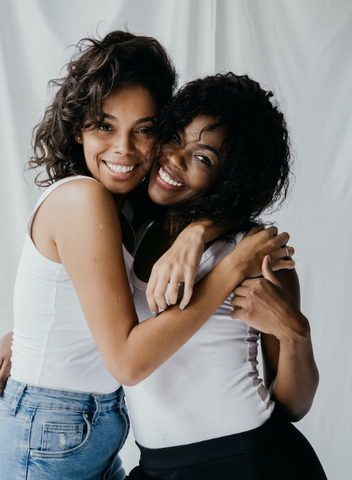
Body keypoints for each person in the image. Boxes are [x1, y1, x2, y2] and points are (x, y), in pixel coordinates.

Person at [0, 32, 291, 480]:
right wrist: (231, 269)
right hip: (55, 427)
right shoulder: (86, 200)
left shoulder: (131, 206)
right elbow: (129, 363)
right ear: (77, 126)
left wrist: (197, 231)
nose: (124, 148)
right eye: (105, 125)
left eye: (146, 129)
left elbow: (218, 200)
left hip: (94, 429)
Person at [123, 73, 327, 479]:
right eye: (176, 136)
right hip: (157, 467)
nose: (174, 158)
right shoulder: (131, 225)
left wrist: (296, 334)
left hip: (252, 462)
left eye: (203, 158)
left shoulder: (253, 254)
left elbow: (293, 407)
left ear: (232, 179)